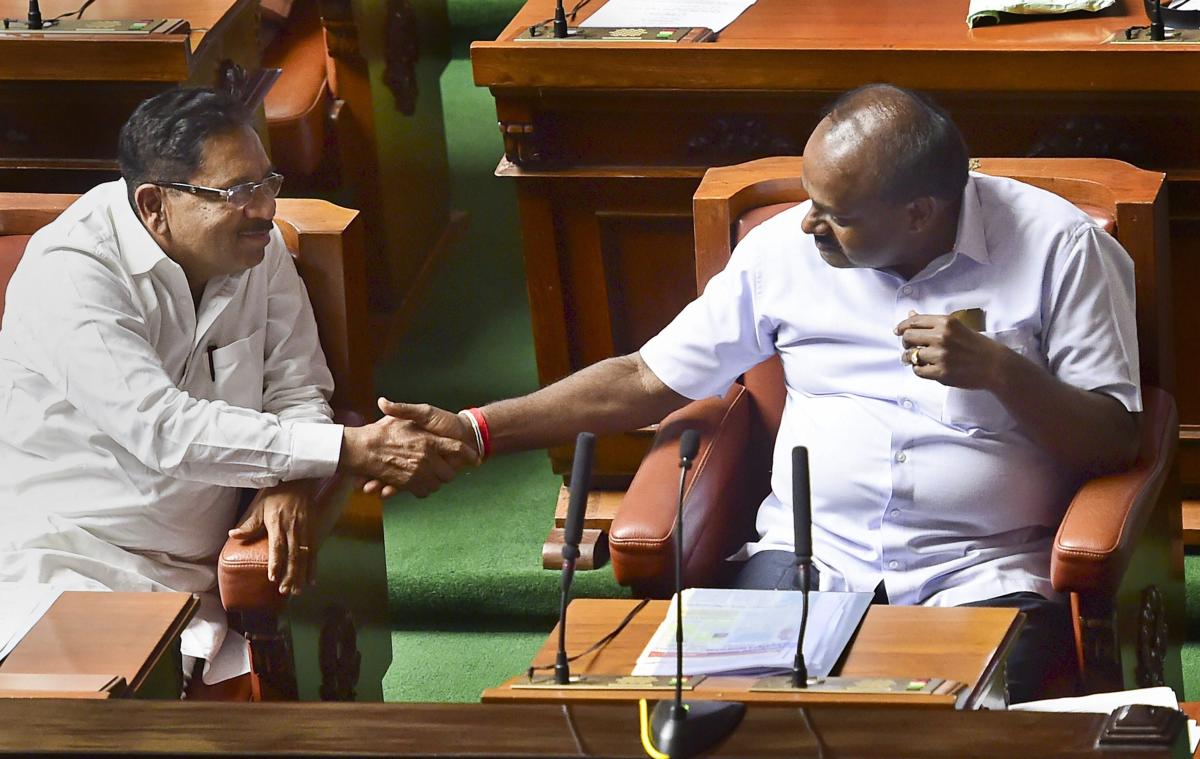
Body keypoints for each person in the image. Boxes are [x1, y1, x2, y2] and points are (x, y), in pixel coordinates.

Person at [372, 84, 1141, 702]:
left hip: (985, 570)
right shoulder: (785, 252)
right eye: (810, 198)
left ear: (920, 211)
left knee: (950, 736)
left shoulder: (1061, 249)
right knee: (706, 718)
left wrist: (1005, 372)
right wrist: (477, 428)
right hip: (809, 556)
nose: (807, 224)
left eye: (836, 215)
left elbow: (1116, 438)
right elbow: (645, 379)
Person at [0, 87, 474, 695]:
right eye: (236, 193)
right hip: (67, 557)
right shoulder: (73, 272)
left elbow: (299, 386)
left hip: (205, 566)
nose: (265, 209)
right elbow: (162, 429)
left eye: (267, 183)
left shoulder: (261, 249)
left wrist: (290, 482)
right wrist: (347, 449)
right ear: (154, 205)